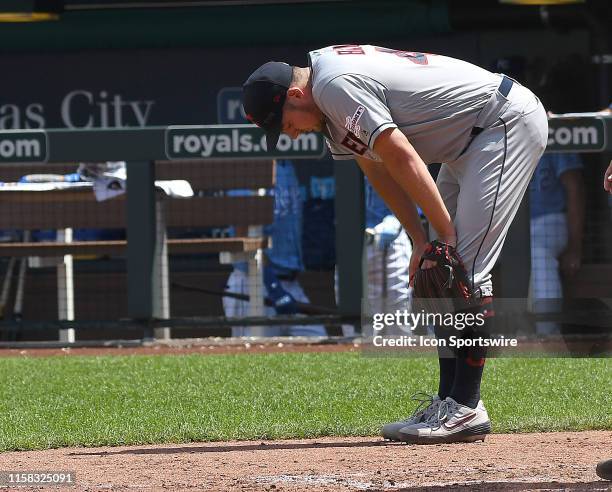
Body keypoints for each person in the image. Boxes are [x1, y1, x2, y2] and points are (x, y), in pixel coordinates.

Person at [243, 44, 548, 444]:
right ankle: (448, 401)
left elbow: (400, 153)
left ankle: (466, 406)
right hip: (468, 142)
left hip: (502, 122)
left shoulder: (334, 85)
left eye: (285, 124)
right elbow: (378, 169)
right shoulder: (327, 105)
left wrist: (446, 237)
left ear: (295, 96)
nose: (291, 133)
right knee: (439, 272)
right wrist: (420, 240)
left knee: (462, 269)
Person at [223, 159, 326, 337]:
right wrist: (274, 287)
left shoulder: (288, 165)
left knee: (319, 345)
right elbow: (242, 238)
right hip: (253, 283)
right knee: (251, 359)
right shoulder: (248, 164)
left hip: (290, 284)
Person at [528, 152, 585, 335]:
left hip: (551, 219)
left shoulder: (557, 136)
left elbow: (575, 188)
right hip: (515, 226)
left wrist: (575, 248)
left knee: (538, 252)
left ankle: (548, 333)